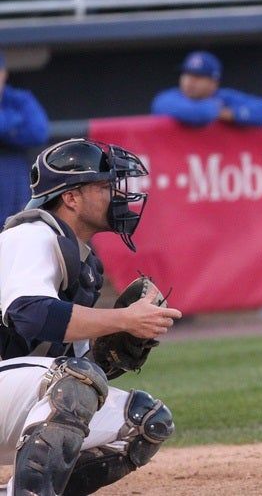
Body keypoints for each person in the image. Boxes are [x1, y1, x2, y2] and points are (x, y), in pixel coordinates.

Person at [0, 138, 182, 494]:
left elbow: (71, 368)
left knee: (143, 423)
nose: (116, 195)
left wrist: (114, 346)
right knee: (76, 380)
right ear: (71, 197)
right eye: (104, 187)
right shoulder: (30, 235)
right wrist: (125, 319)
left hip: (9, 395)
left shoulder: (79, 260)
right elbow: (30, 313)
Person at [152, 51, 262, 127]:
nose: (190, 81)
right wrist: (215, 108)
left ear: (213, 83)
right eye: (187, 74)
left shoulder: (222, 96)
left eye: (198, 77)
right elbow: (199, 114)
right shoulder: (168, 98)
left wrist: (233, 114)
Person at [0, 52, 50, 224]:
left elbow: (38, 132)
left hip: (14, 177)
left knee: (16, 226)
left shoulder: (19, 99)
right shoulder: (16, 109)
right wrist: (13, 120)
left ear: (4, 73)